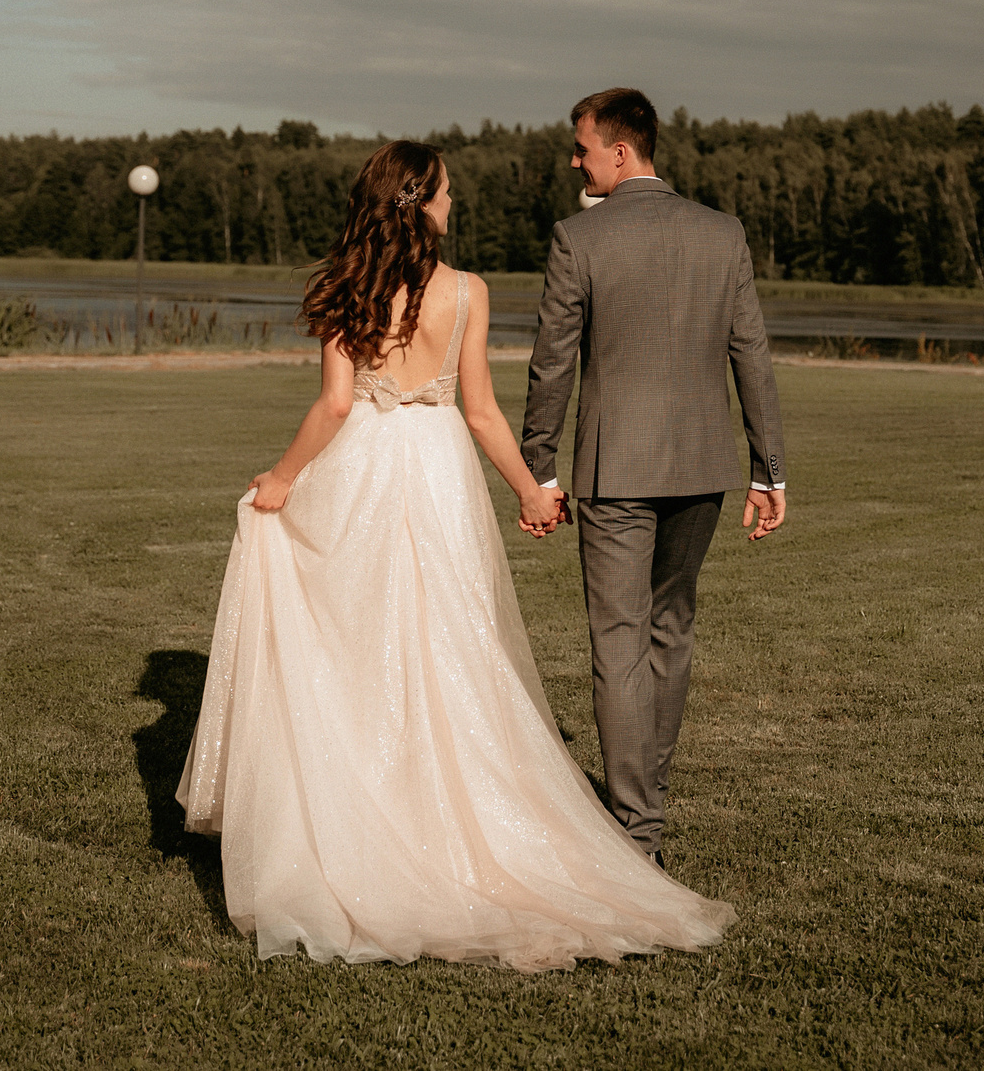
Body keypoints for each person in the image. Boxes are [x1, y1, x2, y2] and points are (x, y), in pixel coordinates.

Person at [176, 139, 733, 971]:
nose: (453, 202)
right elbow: (480, 413)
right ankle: (446, 813)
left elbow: (334, 405)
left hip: (362, 466)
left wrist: (283, 480)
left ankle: (369, 816)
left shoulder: (346, 285)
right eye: (446, 192)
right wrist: (531, 490)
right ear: (420, 201)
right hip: (436, 470)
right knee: (449, 641)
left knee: (360, 646)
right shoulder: (466, 292)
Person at [519, 88, 788, 868]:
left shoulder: (578, 237)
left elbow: (552, 364)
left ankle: (636, 828)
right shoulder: (722, 232)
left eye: (581, 147)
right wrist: (768, 471)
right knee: (671, 628)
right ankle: (647, 806)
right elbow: (753, 357)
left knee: (619, 639)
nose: (574, 159)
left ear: (620, 152)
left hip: (615, 468)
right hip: (703, 465)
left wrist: (540, 465)